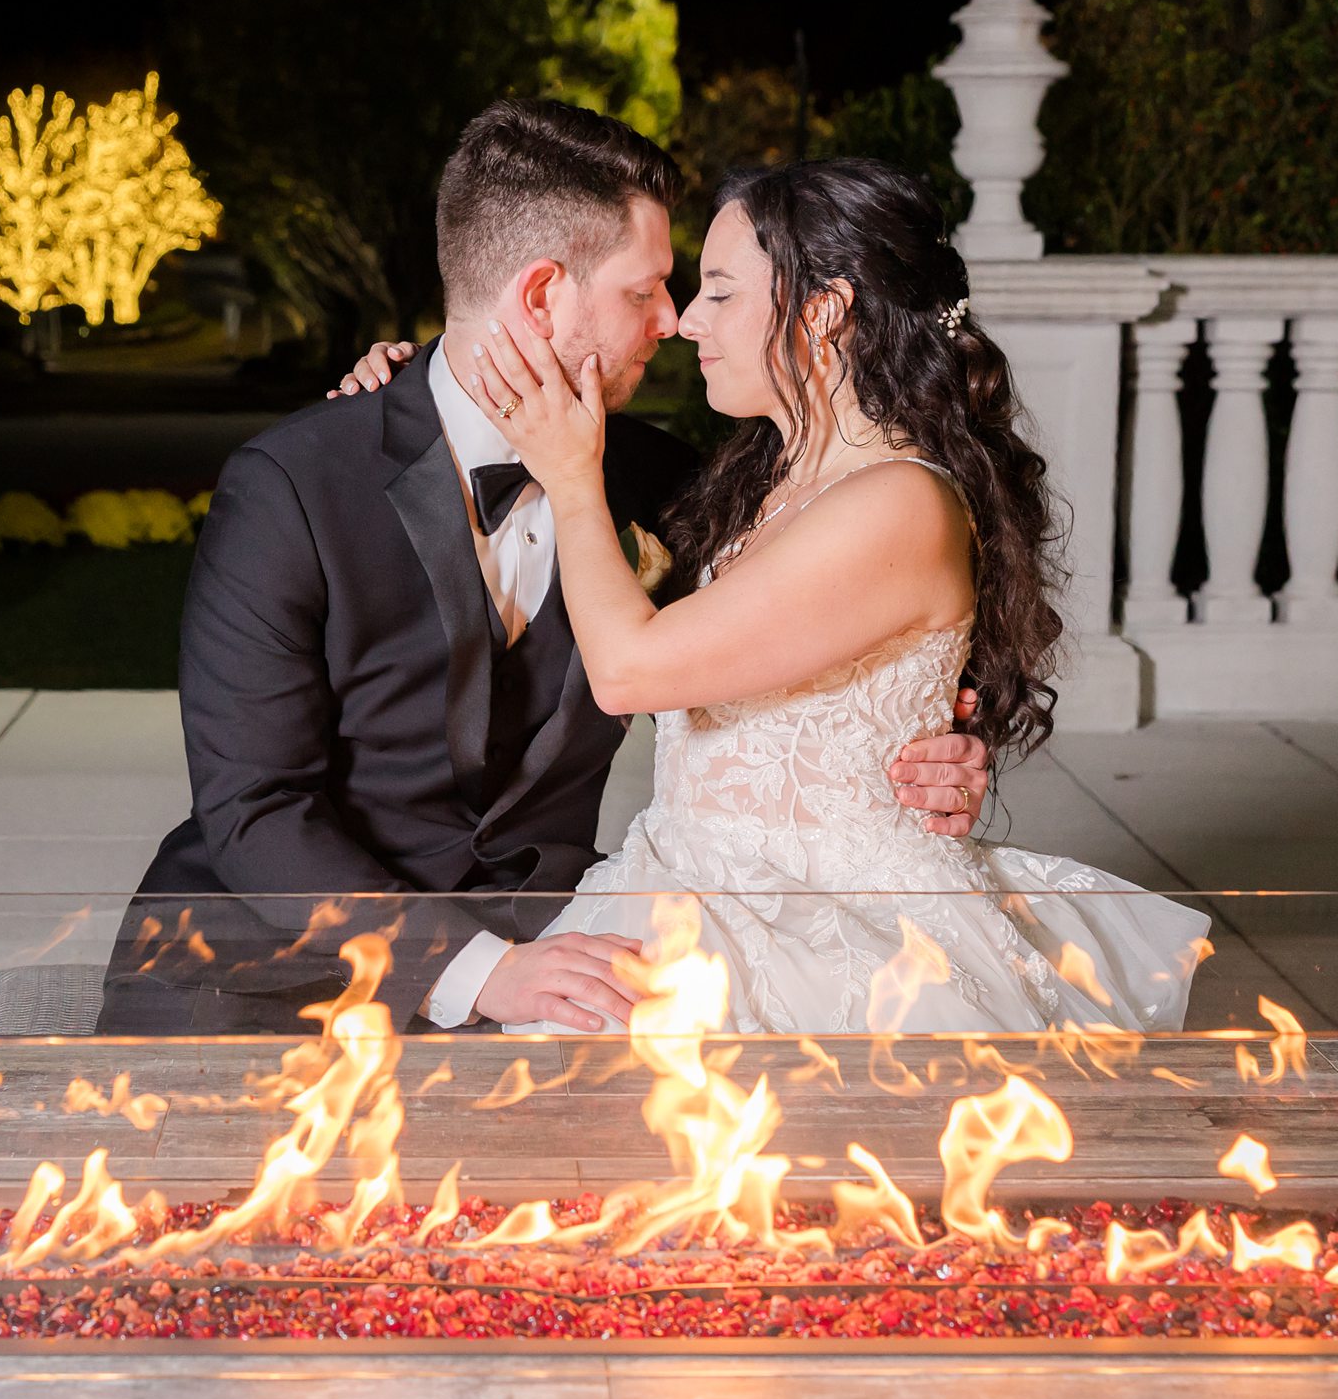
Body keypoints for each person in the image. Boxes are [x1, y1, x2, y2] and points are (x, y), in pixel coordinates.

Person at [96, 103, 993, 1036]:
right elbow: (253, 810)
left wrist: (944, 739)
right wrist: (481, 974)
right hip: (271, 978)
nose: (673, 322)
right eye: (645, 292)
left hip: (566, 964)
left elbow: (839, 620)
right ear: (539, 297)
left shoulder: (672, 481)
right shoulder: (296, 486)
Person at [334, 157, 1205, 1034]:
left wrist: (569, 475)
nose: (683, 323)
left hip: (817, 931)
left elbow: (630, 671)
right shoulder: (756, 477)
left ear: (822, 312)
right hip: (672, 882)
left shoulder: (898, 503)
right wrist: (420, 386)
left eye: (718, 292)